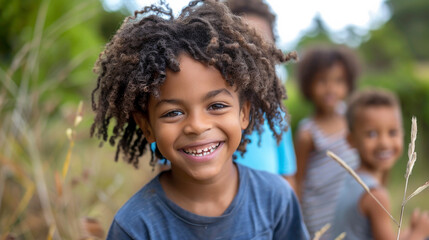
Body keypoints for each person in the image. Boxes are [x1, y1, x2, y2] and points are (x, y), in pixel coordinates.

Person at [90, 1, 309, 239]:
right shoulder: (134, 227)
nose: (197, 126)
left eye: (216, 106)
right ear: (147, 126)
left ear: (243, 113)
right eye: (173, 112)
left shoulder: (277, 199)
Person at [331, 89, 429, 240]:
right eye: (371, 134)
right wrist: (420, 233)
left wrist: (410, 232)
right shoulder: (376, 196)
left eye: (392, 132)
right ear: (351, 140)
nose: (384, 143)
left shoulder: (351, 180)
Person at [225, 0, 297, 188]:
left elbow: (287, 176)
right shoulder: (203, 110)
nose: (253, 49)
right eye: (244, 38)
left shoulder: (276, 114)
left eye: (262, 40)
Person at [294, 45, 360, 238]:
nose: (330, 88)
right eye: (322, 81)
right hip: (318, 214)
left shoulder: (354, 120)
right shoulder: (308, 133)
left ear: (348, 83)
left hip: (351, 208)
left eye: (338, 81)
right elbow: (298, 181)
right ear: (308, 85)